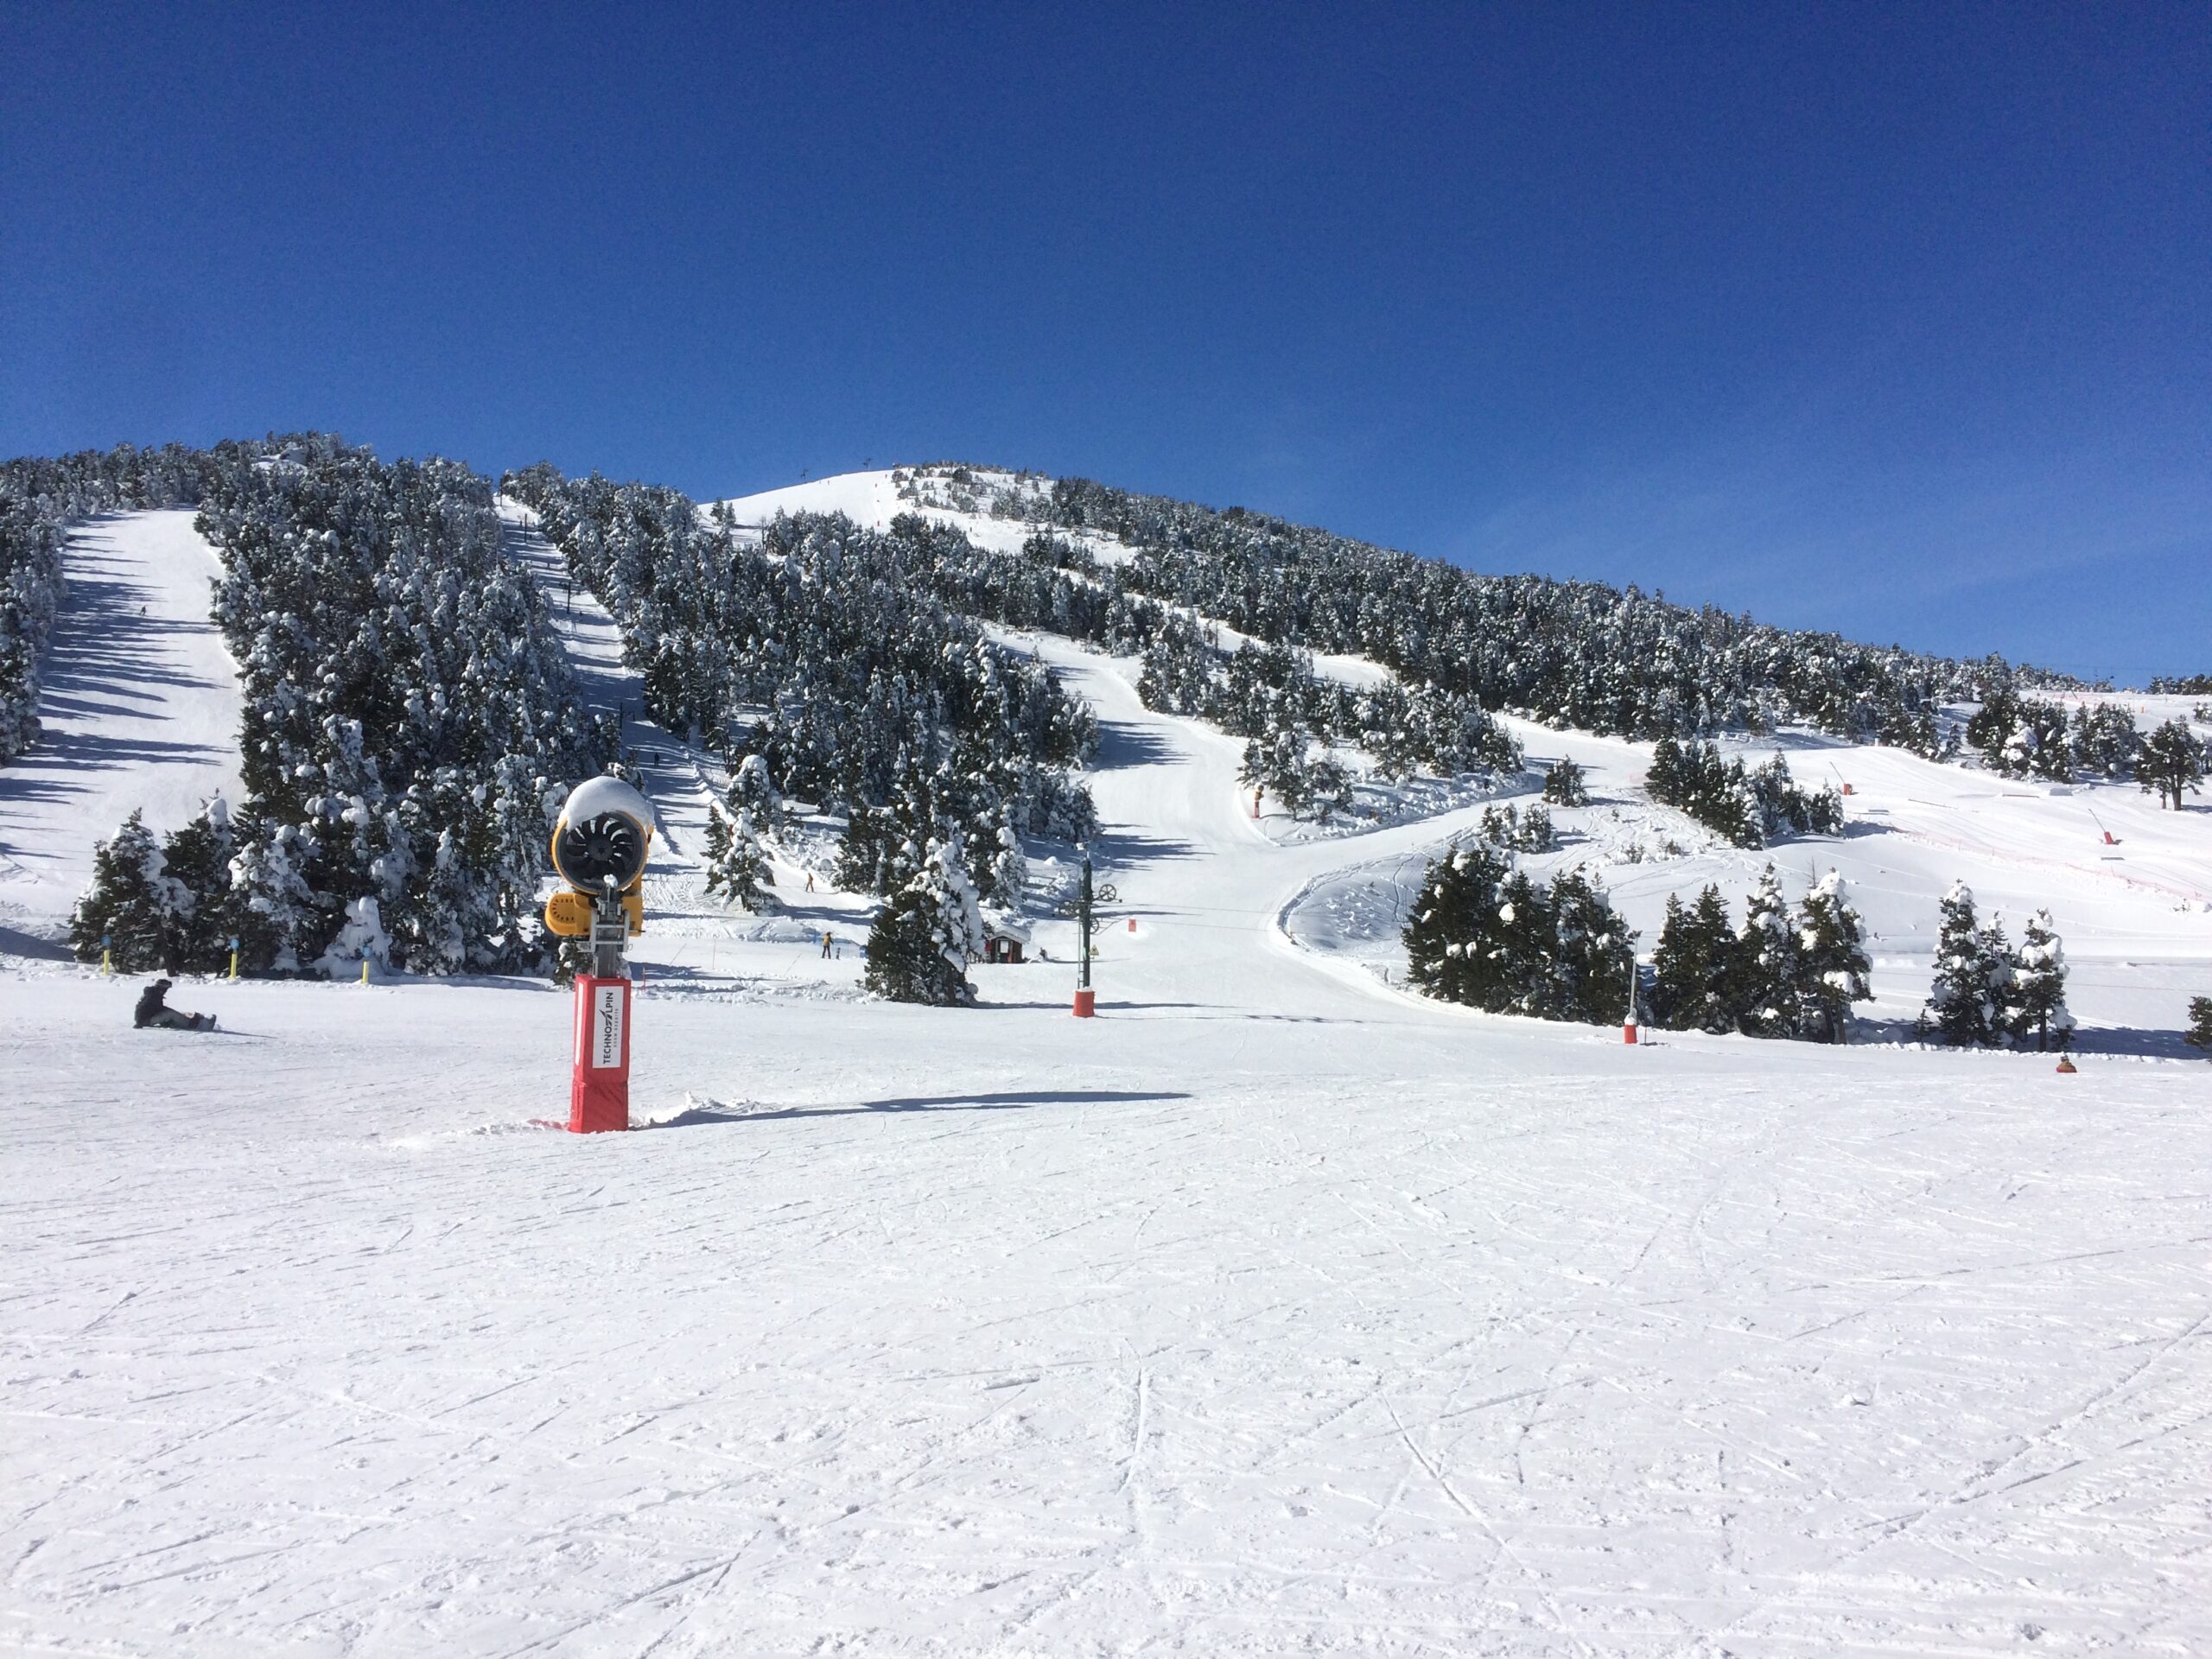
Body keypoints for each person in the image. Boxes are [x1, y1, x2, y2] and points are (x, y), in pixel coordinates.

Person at [134, 978, 213, 1032]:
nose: (166, 991)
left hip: (147, 1018)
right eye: (166, 989)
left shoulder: (154, 994)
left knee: (172, 1012)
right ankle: (192, 1024)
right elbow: (142, 1008)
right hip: (145, 1021)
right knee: (171, 1013)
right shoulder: (152, 996)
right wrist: (139, 1023)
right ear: (161, 988)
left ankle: (193, 1020)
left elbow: (157, 1008)